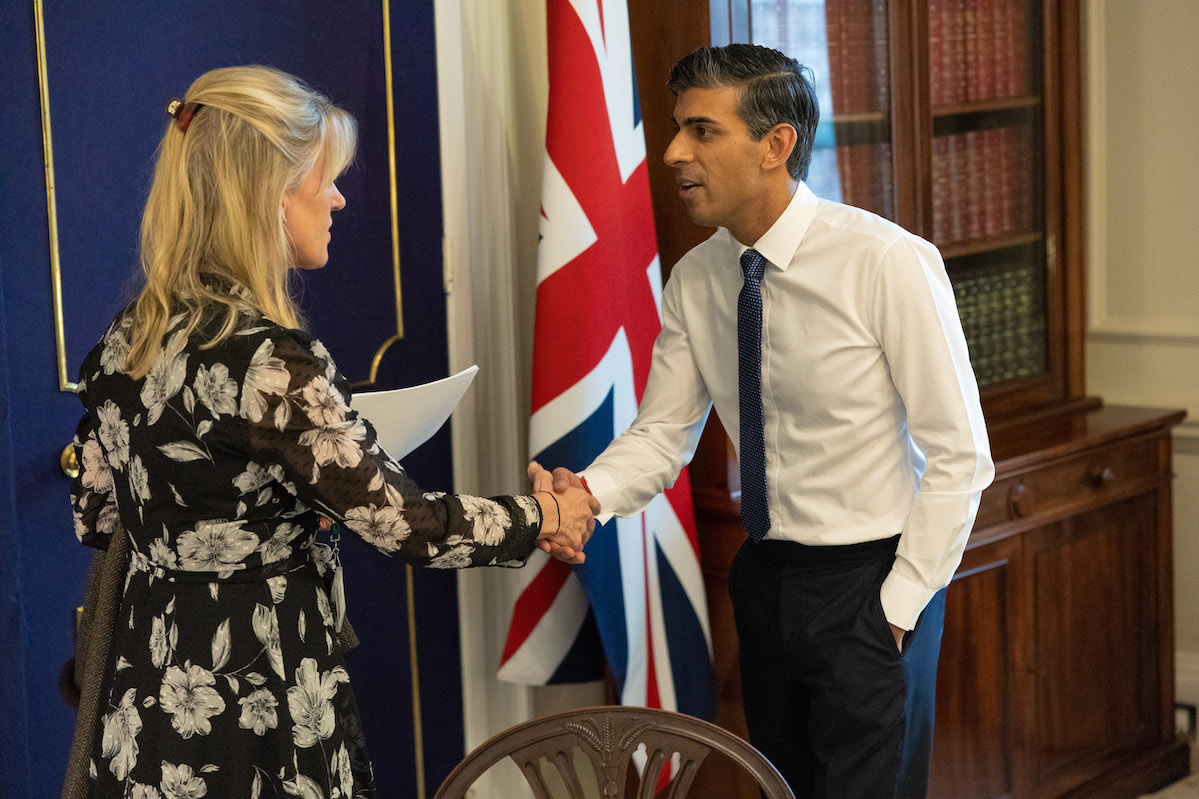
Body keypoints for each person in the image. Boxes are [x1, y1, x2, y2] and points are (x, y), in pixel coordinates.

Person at [67, 65, 597, 799]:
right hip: (256, 689)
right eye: (326, 179)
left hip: (149, 684)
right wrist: (543, 514)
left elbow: (96, 511)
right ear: (271, 196)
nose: (339, 198)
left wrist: (251, 507)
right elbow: (405, 525)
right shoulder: (270, 360)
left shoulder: (125, 340)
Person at [534, 44, 994, 798]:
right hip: (765, 581)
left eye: (702, 131)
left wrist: (901, 603)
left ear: (775, 144)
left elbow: (959, 455)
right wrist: (582, 495)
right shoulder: (696, 277)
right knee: (781, 788)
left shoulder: (887, 261)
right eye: (677, 128)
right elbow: (660, 435)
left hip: (870, 582)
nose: (675, 152)